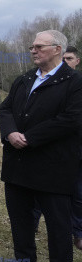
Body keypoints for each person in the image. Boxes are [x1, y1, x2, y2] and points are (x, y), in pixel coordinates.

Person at [0, 30, 82, 262]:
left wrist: (29, 137)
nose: (32, 50)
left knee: (57, 221)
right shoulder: (24, 79)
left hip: (53, 165)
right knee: (20, 216)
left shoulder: (73, 81)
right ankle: (24, 259)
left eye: (39, 46)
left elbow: (71, 119)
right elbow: (6, 109)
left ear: (57, 49)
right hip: (19, 163)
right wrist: (10, 132)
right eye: (32, 46)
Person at [63, 46, 82, 250]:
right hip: (54, 148)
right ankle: (32, 225)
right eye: (63, 58)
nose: (66, 61)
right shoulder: (51, 84)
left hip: (78, 147)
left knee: (78, 192)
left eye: (70, 58)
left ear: (77, 61)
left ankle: (78, 232)